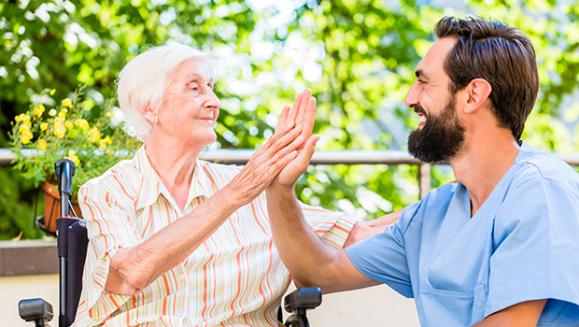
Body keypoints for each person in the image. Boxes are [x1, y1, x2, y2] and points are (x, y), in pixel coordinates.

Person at [265, 16, 579, 326]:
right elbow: (320, 272)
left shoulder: (541, 187)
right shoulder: (434, 214)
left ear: (473, 95)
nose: (409, 98)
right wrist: (280, 188)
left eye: (424, 82)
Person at [73, 44, 392, 326]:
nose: (213, 101)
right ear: (150, 108)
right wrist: (234, 195)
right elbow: (128, 274)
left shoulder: (254, 189)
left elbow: (359, 235)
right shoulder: (109, 190)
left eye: (211, 88)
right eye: (194, 88)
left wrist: (442, 199)